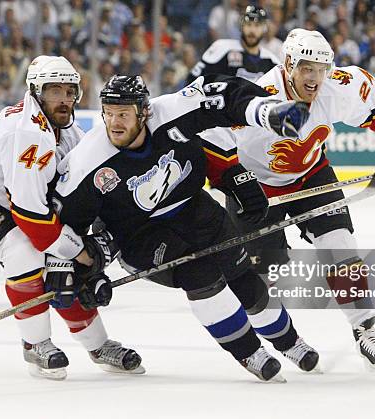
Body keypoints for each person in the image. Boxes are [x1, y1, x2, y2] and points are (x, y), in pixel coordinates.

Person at [202, 29, 375, 374]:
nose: (314, 78)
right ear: (288, 65)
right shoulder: (256, 98)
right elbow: (213, 145)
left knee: (341, 246)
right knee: (264, 274)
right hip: (256, 189)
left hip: (312, 175)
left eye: (320, 69)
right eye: (306, 69)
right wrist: (235, 184)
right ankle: (288, 341)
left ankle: (366, 329)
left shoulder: (336, 85)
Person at [51, 74, 320, 382]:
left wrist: (264, 111)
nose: (114, 122)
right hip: (138, 235)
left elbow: (224, 94)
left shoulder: (171, 113)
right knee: (201, 275)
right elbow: (65, 222)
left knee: (244, 277)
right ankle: (248, 351)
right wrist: (79, 269)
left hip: (193, 207)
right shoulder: (90, 161)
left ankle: (289, 342)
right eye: (108, 113)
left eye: (123, 114)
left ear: (144, 112)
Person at [0, 56, 143, 380]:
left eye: (70, 91)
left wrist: (86, 254)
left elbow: (79, 196)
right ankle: (35, 344)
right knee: (24, 251)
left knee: (60, 264)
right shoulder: (28, 133)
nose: (64, 99)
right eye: (55, 91)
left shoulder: (67, 133)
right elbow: (29, 213)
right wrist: (82, 254)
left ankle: (99, 345)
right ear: (36, 92)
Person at [185, 5, 279, 84]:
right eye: (248, 24)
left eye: (257, 26)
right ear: (241, 26)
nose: (252, 30)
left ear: (264, 28)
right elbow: (193, 79)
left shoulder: (272, 61)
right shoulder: (221, 47)